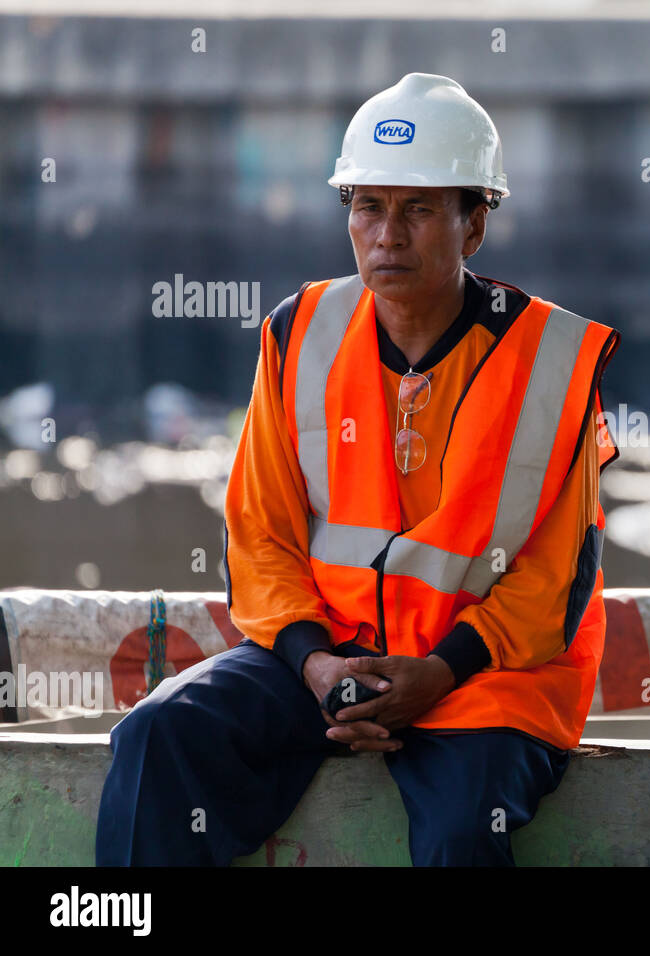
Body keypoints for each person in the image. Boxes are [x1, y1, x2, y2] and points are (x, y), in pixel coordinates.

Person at [97, 73, 620, 866]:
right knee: (157, 736)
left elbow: (554, 583)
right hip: (326, 658)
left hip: (486, 677)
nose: (388, 236)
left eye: (418, 209)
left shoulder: (551, 362)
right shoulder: (299, 334)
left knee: (462, 829)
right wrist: (313, 663)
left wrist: (440, 672)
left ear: (474, 223)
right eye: (367, 206)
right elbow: (259, 538)